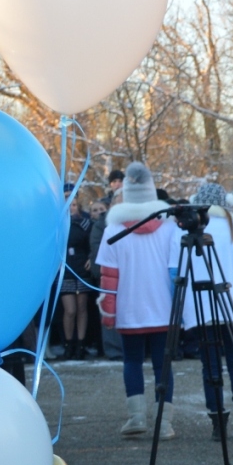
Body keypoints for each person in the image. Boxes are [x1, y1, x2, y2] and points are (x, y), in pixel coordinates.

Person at [170, 181, 233, 441]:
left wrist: (176, 313)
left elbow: (174, 272)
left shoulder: (182, 226)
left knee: (209, 365)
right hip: (232, 303)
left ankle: (218, 425)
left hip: (197, 307)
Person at [95, 162, 178, 440]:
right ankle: (164, 422)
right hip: (163, 308)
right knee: (162, 364)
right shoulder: (168, 227)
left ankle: (136, 417)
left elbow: (108, 277)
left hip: (129, 310)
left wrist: (108, 313)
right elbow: (176, 270)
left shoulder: (114, 230)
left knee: (131, 361)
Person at [59, 186, 97, 360]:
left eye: (74, 204)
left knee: (82, 308)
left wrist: (91, 257)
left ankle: (81, 343)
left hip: (82, 268)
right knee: (70, 310)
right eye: (68, 204)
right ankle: (68, 343)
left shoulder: (86, 224)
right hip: (65, 269)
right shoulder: (57, 224)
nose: (71, 207)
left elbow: (93, 244)